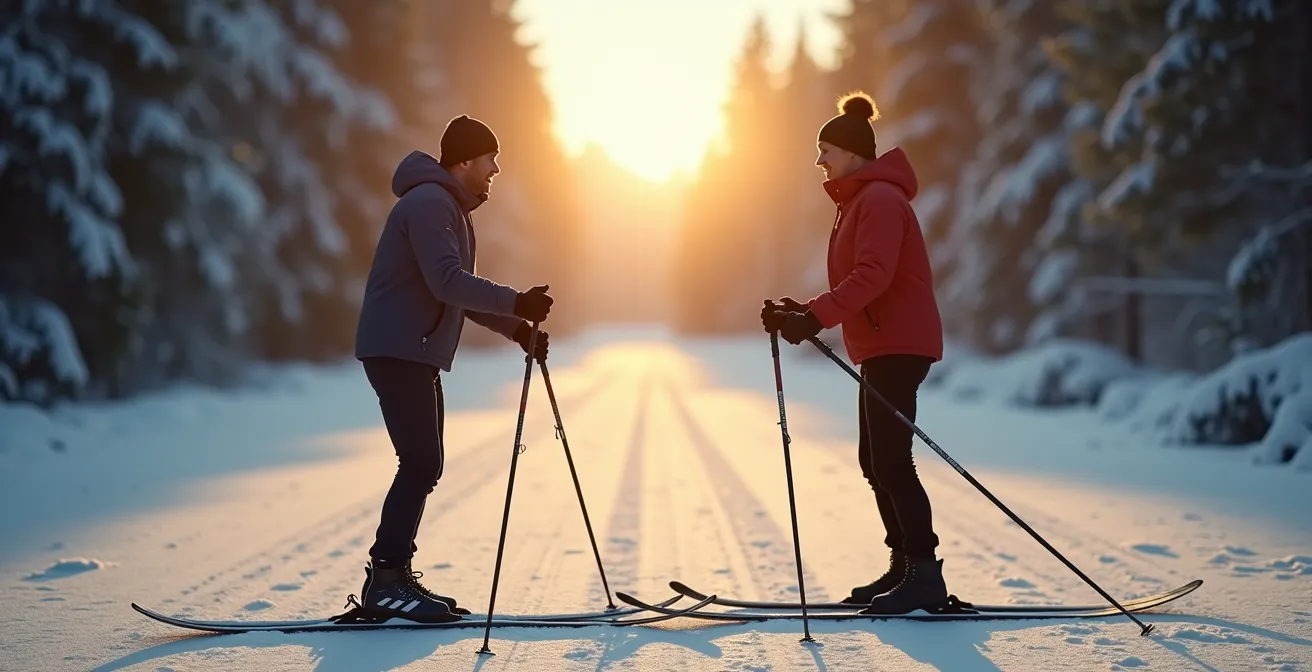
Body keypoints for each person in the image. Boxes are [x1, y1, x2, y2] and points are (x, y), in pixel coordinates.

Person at [352, 114, 555, 622]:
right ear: (463, 160)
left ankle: (392, 578)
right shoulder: (428, 204)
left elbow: (455, 286)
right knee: (420, 463)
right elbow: (447, 282)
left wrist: (517, 328)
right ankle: (387, 582)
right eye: (490, 159)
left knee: (425, 464)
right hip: (398, 349)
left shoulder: (446, 207)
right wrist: (516, 300)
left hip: (411, 351)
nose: (495, 170)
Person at [762, 91, 948, 614]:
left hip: (899, 343)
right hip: (882, 343)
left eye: (825, 149)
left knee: (892, 460)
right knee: (876, 460)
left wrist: (816, 316)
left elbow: (873, 275)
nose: (819, 160)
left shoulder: (881, 200)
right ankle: (904, 568)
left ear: (851, 152)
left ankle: (925, 574)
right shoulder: (861, 201)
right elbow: (860, 278)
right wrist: (800, 309)